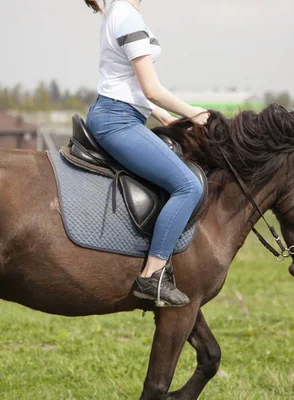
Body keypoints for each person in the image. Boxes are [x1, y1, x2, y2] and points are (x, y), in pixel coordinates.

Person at [83, 0, 209, 307]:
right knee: (188, 186)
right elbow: (151, 87)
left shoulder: (118, 12)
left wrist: (161, 114)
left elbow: (125, 80)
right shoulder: (127, 17)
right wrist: (195, 113)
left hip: (120, 112)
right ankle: (153, 276)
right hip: (118, 119)